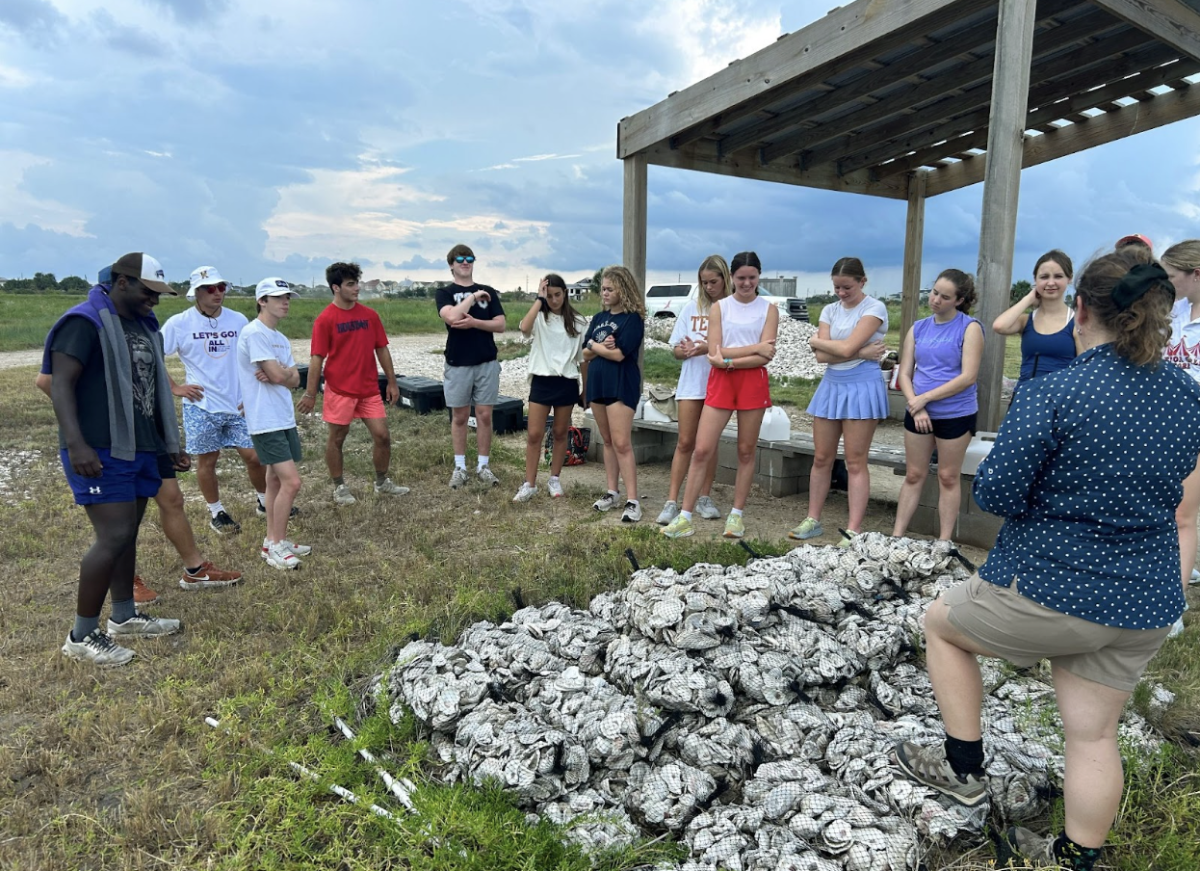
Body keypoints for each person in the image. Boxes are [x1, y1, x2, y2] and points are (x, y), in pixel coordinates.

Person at [890, 248, 1200, 870]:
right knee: (1092, 734)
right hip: (1142, 598)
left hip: (1051, 589)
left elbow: (1000, 493)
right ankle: (1075, 859)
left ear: (1080, 309)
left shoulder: (1056, 392)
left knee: (939, 625)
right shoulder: (1186, 394)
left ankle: (963, 768)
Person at [44, 252, 185, 666]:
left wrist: (167, 441)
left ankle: (123, 616)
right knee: (113, 535)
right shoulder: (83, 322)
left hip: (140, 445)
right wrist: (77, 444)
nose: (154, 300)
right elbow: (59, 386)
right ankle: (81, 635)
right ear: (122, 282)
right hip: (100, 448)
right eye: (148, 290)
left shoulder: (143, 326)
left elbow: (151, 386)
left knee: (128, 534)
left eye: (159, 293)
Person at [36, 375, 242, 600]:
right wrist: (90, 422)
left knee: (173, 499)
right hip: (112, 440)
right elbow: (47, 381)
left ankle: (196, 570)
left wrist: (167, 437)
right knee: (122, 515)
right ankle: (126, 580)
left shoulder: (147, 337)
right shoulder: (87, 338)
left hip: (148, 434)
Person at [662, 252, 777, 539]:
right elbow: (715, 353)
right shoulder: (721, 308)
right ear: (733, 278)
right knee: (701, 448)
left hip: (751, 382)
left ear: (758, 276)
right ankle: (685, 515)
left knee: (746, 451)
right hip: (721, 381)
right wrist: (751, 350)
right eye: (742, 278)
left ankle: (736, 515)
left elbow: (766, 356)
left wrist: (730, 359)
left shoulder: (769, 309)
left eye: (752, 277)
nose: (747, 283)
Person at [161, 265, 268, 533]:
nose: (217, 293)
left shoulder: (238, 320)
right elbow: (153, 355)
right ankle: (216, 511)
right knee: (207, 461)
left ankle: (265, 501)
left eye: (221, 287)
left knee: (254, 456)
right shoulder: (179, 323)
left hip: (237, 403)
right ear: (196, 292)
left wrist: (254, 390)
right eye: (210, 289)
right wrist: (175, 387)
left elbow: (250, 357)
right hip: (202, 405)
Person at [789, 257, 888, 545]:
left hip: (862, 387)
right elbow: (824, 357)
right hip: (832, 384)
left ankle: (853, 527)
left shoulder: (874, 308)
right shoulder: (829, 309)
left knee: (855, 461)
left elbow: (841, 347)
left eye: (847, 287)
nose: (841, 293)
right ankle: (813, 518)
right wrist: (857, 351)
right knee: (821, 458)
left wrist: (818, 341)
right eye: (836, 287)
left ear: (862, 282)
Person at [298, 262, 408, 505]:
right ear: (336, 288)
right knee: (337, 438)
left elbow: (382, 349)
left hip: (368, 389)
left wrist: (392, 382)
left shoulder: (370, 315)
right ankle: (339, 487)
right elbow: (317, 359)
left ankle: (382, 482)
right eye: (351, 284)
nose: (357, 288)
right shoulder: (325, 320)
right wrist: (310, 393)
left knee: (382, 436)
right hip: (339, 390)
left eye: (357, 282)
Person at [891, 269, 983, 542]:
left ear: (959, 300)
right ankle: (896, 536)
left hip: (955, 413)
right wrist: (915, 405)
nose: (936, 300)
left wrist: (926, 399)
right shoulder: (918, 328)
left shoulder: (970, 327)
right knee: (914, 473)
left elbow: (968, 377)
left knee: (947, 476)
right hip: (918, 411)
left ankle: (944, 541)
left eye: (945, 297)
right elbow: (905, 373)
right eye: (934, 292)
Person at [237, 278, 310, 570]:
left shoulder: (278, 337)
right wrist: (282, 374)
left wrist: (282, 374)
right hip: (264, 419)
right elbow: (283, 377)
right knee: (292, 482)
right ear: (261, 301)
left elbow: (293, 378)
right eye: (278, 297)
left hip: (282, 415)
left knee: (275, 480)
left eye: (287, 297)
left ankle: (272, 539)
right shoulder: (254, 333)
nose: (285, 302)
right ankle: (277, 547)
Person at [657, 255, 730, 526]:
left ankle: (704, 497)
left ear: (725, 279)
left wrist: (705, 348)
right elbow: (675, 348)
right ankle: (671, 501)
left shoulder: (731, 308)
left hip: (719, 382)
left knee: (707, 444)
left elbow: (733, 347)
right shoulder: (691, 308)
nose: (709, 287)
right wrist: (685, 350)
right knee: (685, 442)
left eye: (714, 281)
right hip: (691, 383)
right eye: (704, 282)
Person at [513, 274, 589, 502]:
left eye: (558, 294)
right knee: (534, 434)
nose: (554, 299)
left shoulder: (578, 322)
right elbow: (524, 328)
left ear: (565, 293)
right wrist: (539, 299)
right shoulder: (539, 317)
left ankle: (554, 478)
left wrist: (586, 389)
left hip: (566, 381)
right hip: (542, 380)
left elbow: (583, 359)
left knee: (559, 432)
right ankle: (530, 483)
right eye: (550, 295)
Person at [436, 245, 506, 488]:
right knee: (460, 416)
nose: (465, 262)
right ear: (452, 265)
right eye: (460, 259)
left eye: (469, 259)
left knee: (485, 415)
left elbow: (500, 324)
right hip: (457, 362)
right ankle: (460, 467)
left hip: (486, 360)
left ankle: (483, 466)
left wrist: (475, 322)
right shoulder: (444, 292)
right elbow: (453, 317)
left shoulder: (489, 291)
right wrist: (473, 298)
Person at [583, 265, 646, 522]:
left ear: (623, 289)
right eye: (603, 289)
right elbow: (585, 352)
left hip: (621, 384)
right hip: (597, 383)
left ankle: (633, 500)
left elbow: (619, 355)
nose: (604, 293)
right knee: (607, 441)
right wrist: (598, 346)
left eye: (609, 288)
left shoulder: (632, 319)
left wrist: (595, 346)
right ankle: (612, 492)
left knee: (621, 442)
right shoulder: (599, 318)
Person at [1161, 239, 1200, 630]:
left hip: (1196, 427)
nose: (1168, 283)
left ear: (1195, 274)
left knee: (1183, 514)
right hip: (1167, 425)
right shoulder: (1176, 313)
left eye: (1172, 276)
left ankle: (1174, 606)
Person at [992, 250, 1079, 396]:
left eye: (1058, 276)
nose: (1051, 283)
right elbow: (999, 326)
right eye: (1044, 277)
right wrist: (1029, 298)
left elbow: (1082, 369)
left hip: (1061, 402)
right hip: (1025, 400)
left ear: (1069, 278)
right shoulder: (1026, 321)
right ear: (1035, 279)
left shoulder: (1076, 322)